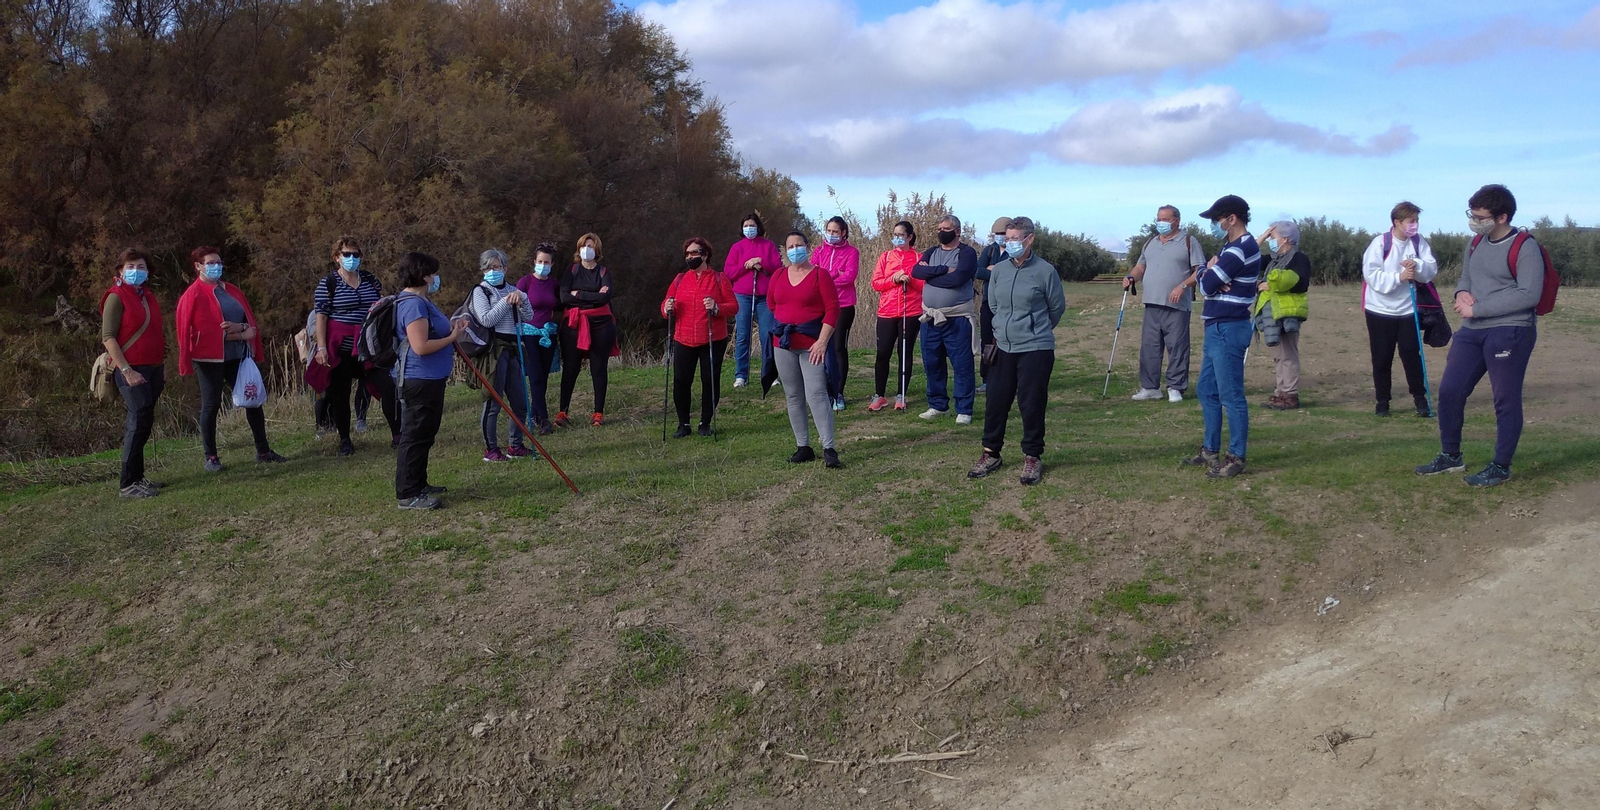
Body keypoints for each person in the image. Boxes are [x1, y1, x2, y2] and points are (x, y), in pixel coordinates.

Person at [1415, 184, 1543, 488]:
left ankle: (1501, 466)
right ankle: (1450, 456)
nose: (1474, 221)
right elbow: (1466, 278)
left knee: (1505, 399)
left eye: (1480, 216)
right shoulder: (1474, 243)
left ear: (1502, 217)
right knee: (1450, 391)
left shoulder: (1525, 246)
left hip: (1511, 330)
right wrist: (1461, 294)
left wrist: (1479, 308)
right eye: (1471, 215)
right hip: (1471, 332)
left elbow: (1529, 294)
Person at [967, 217, 1066, 486]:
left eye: (1014, 238)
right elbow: (995, 305)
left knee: (1031, 403)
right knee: (996, 402)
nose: (1009, 243)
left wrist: (1034, 328)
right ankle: (991, 453)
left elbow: (1056, 308)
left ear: (1029, 239)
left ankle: (1032, 456)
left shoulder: (1045, 271)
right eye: (1006, 238)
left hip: (1036, 347)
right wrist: (1004, 329)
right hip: (1003, 346)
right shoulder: (999, 270)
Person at [176, 245, 286, 471]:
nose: (216, 267)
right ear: (198, 266)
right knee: (211, 405)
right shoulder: (192, 296)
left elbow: (249, 322)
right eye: (210, 263)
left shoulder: (232, 291)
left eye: (218, 262)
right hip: (209, 360)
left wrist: (242, 328)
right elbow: (194, 333)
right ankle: (211, 457)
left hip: (238, 356)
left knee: (252, 399)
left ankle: (263, 450)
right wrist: (237, 334)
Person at [1182, 195, 1259, 479]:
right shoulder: (1230, 247)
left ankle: (1236, 456)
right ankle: (1209, 450)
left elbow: (1207, 285)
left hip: (1228, 328)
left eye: (1218, 219)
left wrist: (1206, 271)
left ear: (1232, 218)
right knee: (1207, 390)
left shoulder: (1240, 248)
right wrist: (1211, 274)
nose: (1215, 224)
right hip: (1216, 327)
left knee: (1231, 395)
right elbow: (1212, 285)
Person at [392, 251, 468, 510]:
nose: (436, 278)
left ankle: (419, 483)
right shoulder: (412, 304)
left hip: (431, 378)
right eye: (433, 273)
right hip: (418, 378)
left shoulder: (423, 302)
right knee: (414, 435)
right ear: (424, 276)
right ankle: (407, 493)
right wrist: (453, 338)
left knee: (425, 433)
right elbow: (420, 346)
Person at [312, 236, 399, 456]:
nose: (352, 259)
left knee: (388, 387)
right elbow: (321, 316)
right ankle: (345, 440)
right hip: (340, 347)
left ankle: (398, 434)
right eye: (347, 254)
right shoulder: (328, 283)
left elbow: (381, 306)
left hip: (369, 346)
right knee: (340, 394)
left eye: (356, 254)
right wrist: (321, 348)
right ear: (337, 257)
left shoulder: (370, 279)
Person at [767, 231, 842, 468]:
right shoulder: (778, 275)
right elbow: (772, 303)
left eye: (798, 245)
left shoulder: (821, 275)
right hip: (784, 344)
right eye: (790, 246)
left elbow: (833, 309)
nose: (794, 249)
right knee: (793, 395)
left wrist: (822, 340)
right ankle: (803, 446)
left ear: (807, 248)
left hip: (812, 346)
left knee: (817, 394)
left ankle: (828, 447)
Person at [1362, 201, 1440, 417]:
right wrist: (1399, 277)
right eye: (1411, 220)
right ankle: (1382, 402)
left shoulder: (1418, 242)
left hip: (1408, 310)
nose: (1415, 225)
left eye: (1416, 220)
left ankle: (1420, 400)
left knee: (1411, 354)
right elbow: (1371, 274)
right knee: (1382, 357)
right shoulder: (1380, 243)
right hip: (1379, 310)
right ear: (1397, 222)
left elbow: (1430, 267)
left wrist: (1417, 267)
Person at [100, 249, 167, 499]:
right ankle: (128, 484)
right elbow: (108, 337)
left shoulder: (147, 297)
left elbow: (157, 334)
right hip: (131, 369)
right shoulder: (116, 297)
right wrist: (126, 370)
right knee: (137, 423)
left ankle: (138, 478)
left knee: (144, 423)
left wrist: (162, 366)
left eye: (141, 267)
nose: (136, 271)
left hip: (153, 368)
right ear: (120, 270)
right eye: (131, 266)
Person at [1126, 205, 1205, 402]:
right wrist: (1131, 277)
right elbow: (1140, 266)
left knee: (1177, 347)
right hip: (1151, 304)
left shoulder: (1188, 241)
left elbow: (1200, 270)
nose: (1160, 223)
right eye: (1158, 218)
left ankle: (1175, 387)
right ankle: (1150, 387)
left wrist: (1183, 286)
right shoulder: (1150, 242)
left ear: (1177, 220)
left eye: (1165, 219)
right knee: (1149, 348)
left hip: (1177, 306)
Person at [661, 237, 738, 437]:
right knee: (681, 381)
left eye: (694, 253)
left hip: (712, 338)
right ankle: (683, 423)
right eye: (687, 254)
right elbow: (667, 304)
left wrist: (717, 307)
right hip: (683, 338)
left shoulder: (719, 278)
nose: (690, 257)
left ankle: (705, 422)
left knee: (710, 381)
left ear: (705, 255)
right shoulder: (679, 279)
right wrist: (666, 308)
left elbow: (733, 306)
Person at [913, 215, 979, 424]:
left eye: (946, 228)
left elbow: (958, 278)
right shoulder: (932, 252)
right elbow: (917, 271)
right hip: (930, 319)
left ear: (957, 231)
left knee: (962, 364)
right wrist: (941, 270)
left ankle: (964, 409)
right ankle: (938, 405)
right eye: (939, 228)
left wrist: (931, 276)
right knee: (932, 363)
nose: (942, 231)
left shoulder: (966, 253)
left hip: (957, 319)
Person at [472, 248, 536, 460]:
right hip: (494, 350)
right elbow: (486, 319)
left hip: (514, 347)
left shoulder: (513, 289)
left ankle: (515, 445)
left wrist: (522, 298)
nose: (493, 271)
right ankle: (491, 449)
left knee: (520, 402)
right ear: (483, 269)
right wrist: (505, 301)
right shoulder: (481, 291)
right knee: (493, 400)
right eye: (489, 267)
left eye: (497, 267)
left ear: (505, 268)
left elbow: (528, 316)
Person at [557, 232, 619, 427]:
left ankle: (598, 413)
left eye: (591, 246)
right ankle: (562, 412)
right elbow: (564, 297)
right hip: (573, 326)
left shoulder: (604, 272)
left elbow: (605, 297)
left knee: (598, 368)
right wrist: (593, 295)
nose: (587, 249)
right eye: (584, 245)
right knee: (570, 368)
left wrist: (579, 294)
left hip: (602, 326)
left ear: (597, 250)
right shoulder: (571, 270)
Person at [1254, 221, 1312, 410]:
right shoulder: (1272, 259)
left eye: (1272, 236)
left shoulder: (1299, 259)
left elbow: (1300, 283)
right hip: (1272, 313)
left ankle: (1290, 394)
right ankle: (1281, 392)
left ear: (1285, 238)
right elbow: (1248, 256)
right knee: (1279, 355)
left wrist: (1271, 285)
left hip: (1288, 314)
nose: (1270, 240)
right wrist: (1260, 240)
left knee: (1288, 354)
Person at [868, 220, 924, 412]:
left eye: (901, 235)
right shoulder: (886, 257)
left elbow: (924, 285)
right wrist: (893, 279)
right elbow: (876, 283)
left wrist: (910, 280)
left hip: (911, 310)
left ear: (909, 236)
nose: (897, 238)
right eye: (895, 234)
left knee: (905, 353)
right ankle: (879, 395)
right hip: (887, 311)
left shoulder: (919, 257)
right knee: (883, 352)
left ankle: (901, 394)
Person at [724, 212, 784, 389]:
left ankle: (770, 374)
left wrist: (761, 262)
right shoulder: (737, 248)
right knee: (743, 336)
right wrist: (746, 265)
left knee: (768, 335)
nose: (749, 229)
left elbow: (777, 268)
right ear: (742, 229)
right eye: (746, 226)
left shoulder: (768, 246)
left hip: (765, 297)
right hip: (742, 295)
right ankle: (741, 374)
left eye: (752, 225)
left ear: (758, 227)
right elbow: (729, 272)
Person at [514, 243, 563, 434]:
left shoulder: (554, 284)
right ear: (534, 262)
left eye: (547, 262)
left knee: (543, 377)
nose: (543, 264)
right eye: (540, 261)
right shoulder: (525, 282)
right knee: (534, 377)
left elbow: (560, 303)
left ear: (551, 264)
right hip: (529, 334)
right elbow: (515, 309)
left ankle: (534, 414)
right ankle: (543, 420)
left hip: (548, 334)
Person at [814, 216, 860, 411]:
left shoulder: (852, 252)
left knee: (839, 347)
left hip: (844, 305)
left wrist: (827, 277)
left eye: (835, 231)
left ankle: (839, 393)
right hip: (820, 305)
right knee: (822, 347)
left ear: (843, 233)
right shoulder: (818, 251)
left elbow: (849, 277)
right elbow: (814, 274)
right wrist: (834, 274)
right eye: (829, 231)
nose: (831, 234)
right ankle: (824, 391)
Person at [974, 217, 1012, 394]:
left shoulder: (1016, 252)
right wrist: (999, 271)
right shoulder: (989, 250)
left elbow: (1012, 275)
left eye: (1003, 233)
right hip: (988, 302)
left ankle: (1010, 379)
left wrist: (993, 269)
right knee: (987, 341)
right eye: (997, 234)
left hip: (1009, 304)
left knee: (1007, 340)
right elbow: (978, 271)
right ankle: (987, 379)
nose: (1000, 237)